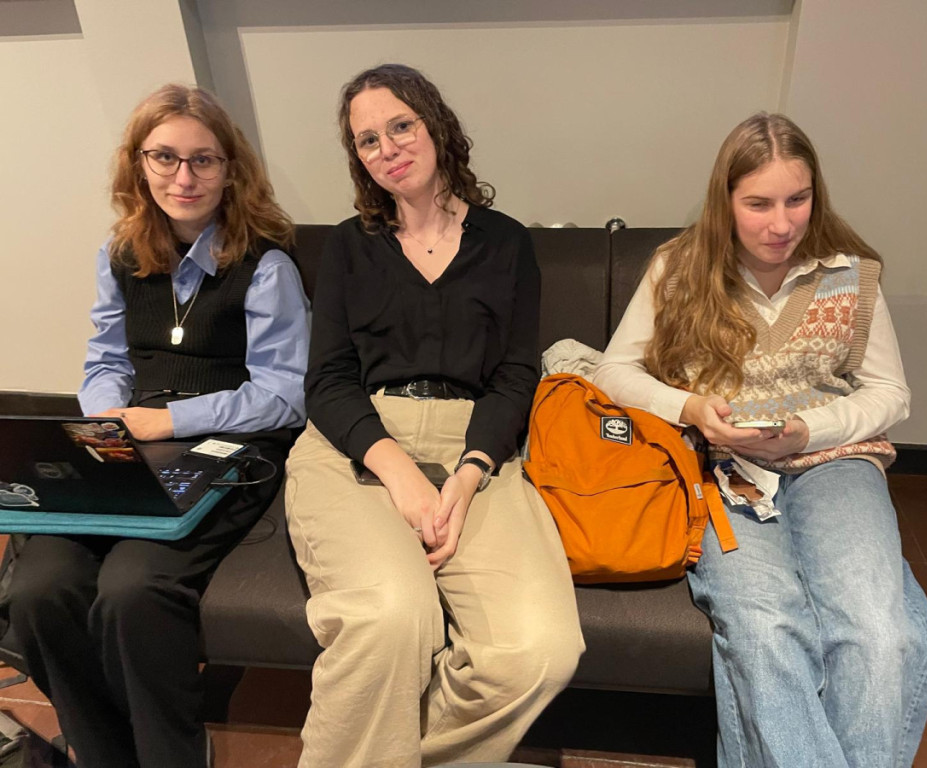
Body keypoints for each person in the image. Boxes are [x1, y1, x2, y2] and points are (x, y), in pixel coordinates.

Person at [593, 113, 927, 767]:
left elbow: (890, 394)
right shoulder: (678, 269)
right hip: (722, 471)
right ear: (725, 200)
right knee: (764, 626)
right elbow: (614, 372)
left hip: (835, 462)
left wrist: (810, 429)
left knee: (883, 634)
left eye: (797, 199)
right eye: (758, 204)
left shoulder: (849, 275)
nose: (781, 224)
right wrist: (690, 407)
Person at [284, 63, 583, 768]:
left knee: (539, 650)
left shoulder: (506, 243)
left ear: (436, 126)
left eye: (401, 126)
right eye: (367, 140)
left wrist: (470, 474)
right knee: (392, 617)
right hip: (360, 444)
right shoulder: (349, 246)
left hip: (476, 445)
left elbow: (515, 375)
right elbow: (327, 382)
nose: (387, 148)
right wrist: (402, 476)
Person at [6, 84, 309, 768]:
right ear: (139, 164)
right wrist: (105, 422)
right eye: (165, 157)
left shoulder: (265, 266)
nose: (184, 177)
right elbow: (105, 361)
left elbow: (284, 396)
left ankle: (174, 752)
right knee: (36, 590)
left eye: (204, 159)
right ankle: (105, 752)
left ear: (230, 169)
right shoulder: (119, 254)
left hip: (229, 444)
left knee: (133, 589)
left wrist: (169, 419)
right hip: (129, 441)